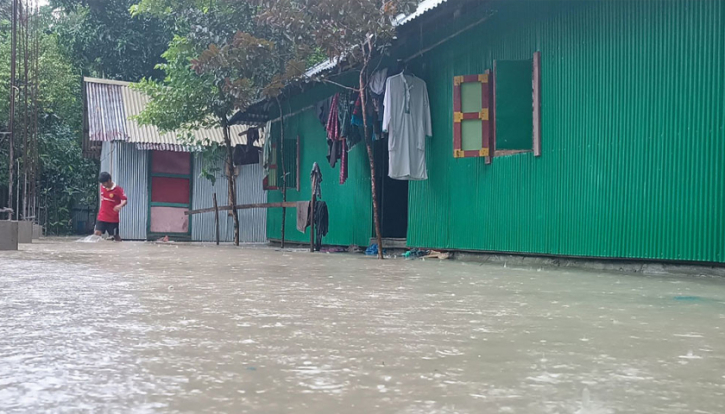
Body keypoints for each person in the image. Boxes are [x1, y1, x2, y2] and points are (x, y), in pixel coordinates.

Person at [94, 172, 127, 241]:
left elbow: (125, 200)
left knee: (115, 237)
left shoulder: (118, 189)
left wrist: (120, 205)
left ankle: (120, 249)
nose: (103, 185)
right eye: (102, 183)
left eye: (104, 183)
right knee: (97, 233)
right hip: (102, 216)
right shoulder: (102, 187)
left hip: (113, 218)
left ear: (109, 180)